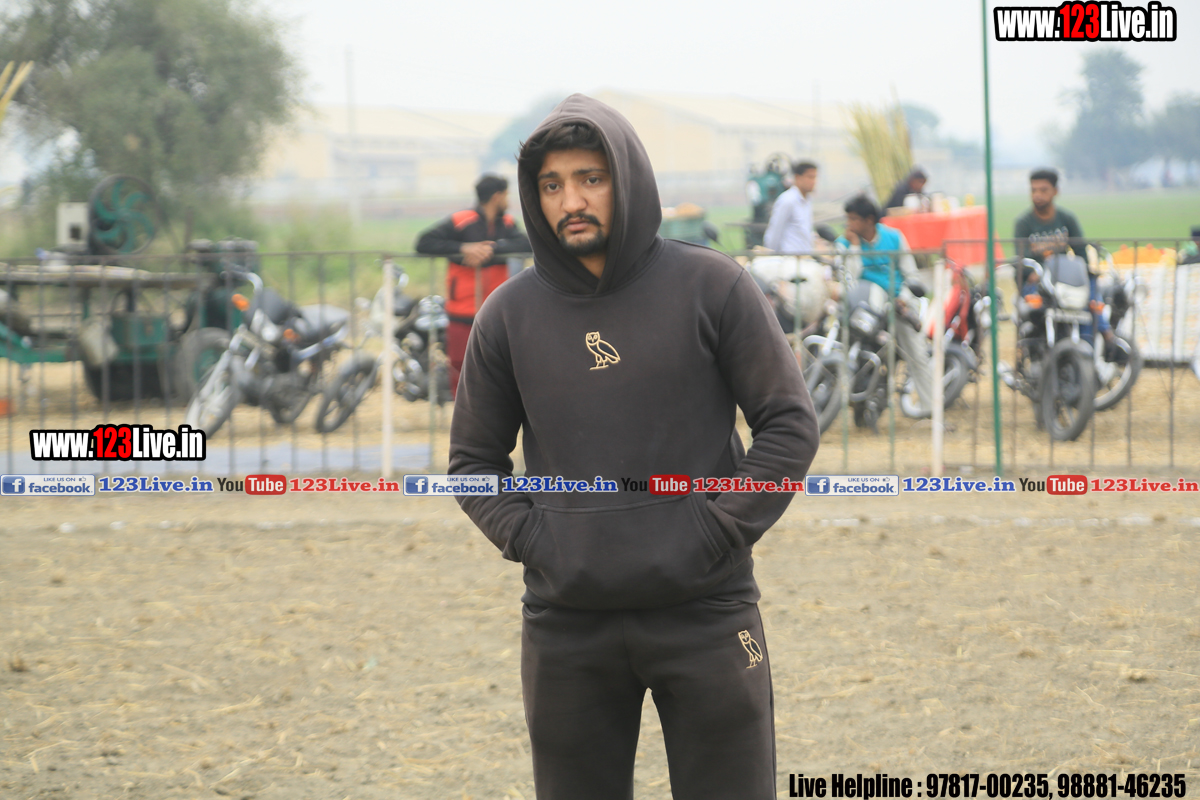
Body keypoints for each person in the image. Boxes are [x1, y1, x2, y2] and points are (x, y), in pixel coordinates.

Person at [448, 94, 819, 800]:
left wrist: (715, 529)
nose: (571, 201)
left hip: (707, 610)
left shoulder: (713, 285)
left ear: (628, 179)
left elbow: (788, 425)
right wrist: (538, 539)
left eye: (591, 178)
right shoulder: (508, 315)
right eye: (551, 185)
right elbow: (472, 464)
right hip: (566, 624)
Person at [414, 174, 530, 395]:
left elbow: (527, 244)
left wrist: (490, 249)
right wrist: (463, 249)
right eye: (506, 195)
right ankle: (461, 413)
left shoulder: (507, 223)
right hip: (461, 310)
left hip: (495, 311)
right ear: (497, 197)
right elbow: (423, 242)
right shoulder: (461, 220)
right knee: (460, 368)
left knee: (498, 370)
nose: (508, 200)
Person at [837, 194, 934, 416]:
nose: (849, 225)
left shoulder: (894, 238)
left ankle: (930, 408)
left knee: (917, 353)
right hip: (864, 308)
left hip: (898, 304)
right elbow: (850, 281)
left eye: (854, 219)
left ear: (869, 220)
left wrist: (904, 298)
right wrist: (854, 248)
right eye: (848, 219)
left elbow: (911, 274)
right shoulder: (845, 243)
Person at [1012, 167, 1118, 360]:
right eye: (1033, 190)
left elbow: (1081, 252)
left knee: (1089, 300)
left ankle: (1095, 344)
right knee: (1036, 307)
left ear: (1055, 191)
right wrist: (1036, 271)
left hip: (1065, 279)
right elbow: (1022, 260)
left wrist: (1083, 272)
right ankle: (1039, 350)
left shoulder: (1066, 219)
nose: (1037, 195)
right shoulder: (1023, 223)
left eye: (1043, 190)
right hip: (1039, 283)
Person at [762, 160, 817, 254]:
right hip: (789, 258)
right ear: (798, 177)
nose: (814, 182)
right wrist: (771, 254)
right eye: (810, 177)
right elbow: (774, 232)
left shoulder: (807, 201)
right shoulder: (787, 200)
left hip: (805, 257)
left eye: (815, 177)